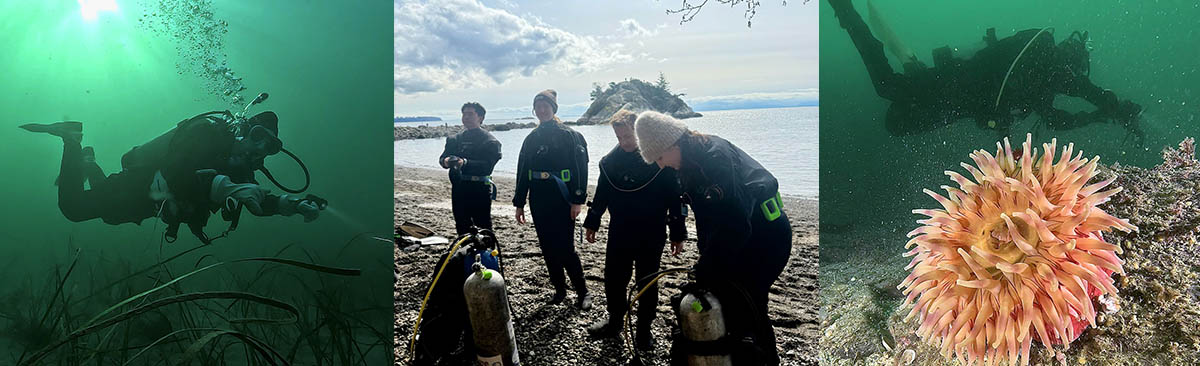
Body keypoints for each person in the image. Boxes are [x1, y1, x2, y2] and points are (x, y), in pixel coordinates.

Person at [827, 0, 1143, 140]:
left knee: (895, 124)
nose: (1072, 75)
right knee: (887, 87)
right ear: (1069, 57)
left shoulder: (1048, 80)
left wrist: (1102, 114)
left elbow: (1060, 115)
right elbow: (1082, 94)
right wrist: (1110, 108)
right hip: (956, 84)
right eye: (1075, 66)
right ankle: (844, 9)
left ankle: (914, 66)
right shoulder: (1045, 56)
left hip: (961, 106)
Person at [20, 110, 322, 244]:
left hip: (147, 205)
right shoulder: (207, 134)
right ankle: (71, 139)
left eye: (270, 146)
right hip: (138, 185)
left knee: (109, 214)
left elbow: (257, 198)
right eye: (257, 136)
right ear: (243, 129)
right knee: (74, 208)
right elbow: (177, 171)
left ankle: (87, 160)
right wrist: (223, 186)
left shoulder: (242, 172)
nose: (259, 149)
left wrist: (291, 205)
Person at [634, 111, 791, 365]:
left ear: (673, 144)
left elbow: (736, 225)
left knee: (750, 305)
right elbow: (709, 219)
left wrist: (708, 267)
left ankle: (764, 359)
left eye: (660, 157)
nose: (660, 165)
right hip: (741, 235)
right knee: (728, 303)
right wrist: (705, 259)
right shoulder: (689, 163)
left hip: (766, 237)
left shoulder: (715, 159)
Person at [582, 110, 686, 350]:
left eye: (628, 137)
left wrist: (678, 233)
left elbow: (675, 199)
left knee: (646, 281)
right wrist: (592, 221)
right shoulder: (609, 162)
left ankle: (644, 330)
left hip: (652, 231)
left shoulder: (659, 160)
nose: (624, 142)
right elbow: (602, 194)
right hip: (620, 229)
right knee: (614, 278)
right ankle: (615, 321)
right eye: (619, 137)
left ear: (639, 133)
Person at [512, 89, 593, 309]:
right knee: (547, 247)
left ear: (553, 108)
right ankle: (560, 290)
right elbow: (523, 171)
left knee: (565, 247)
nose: (541, 110)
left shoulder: (570, 135)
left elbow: (581, 169)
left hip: (562, 197)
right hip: (539, 198)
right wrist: (519, 203)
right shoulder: (531, 139)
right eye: (538, 106)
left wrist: (578, 199)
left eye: (545, 106)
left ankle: (583, 292)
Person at [439, 102, 502, 235]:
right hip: (459, 188)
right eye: (464, 114)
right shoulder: (455, 139)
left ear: (480, 117)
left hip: (480, 188)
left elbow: (487, 167)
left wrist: (465, 163)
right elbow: (442, 158)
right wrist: (446, 161)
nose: (466, 117)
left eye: (470, 114)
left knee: (483, 226)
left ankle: (487, 249)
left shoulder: (490, 141)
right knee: (461, 225)